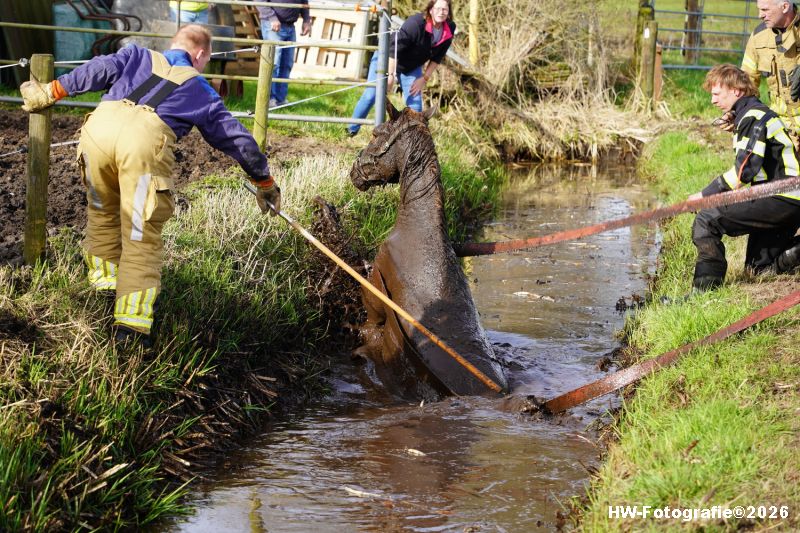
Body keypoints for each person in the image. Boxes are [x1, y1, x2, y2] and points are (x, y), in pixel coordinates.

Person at [19, 24, 281, 348]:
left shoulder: (136, 55)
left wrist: (52, 91)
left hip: (97, 132)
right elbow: (235, 139)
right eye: (205, 60)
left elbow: (97, 68)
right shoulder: (201, 88)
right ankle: (130, 328)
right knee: (140, 232)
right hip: (142, 146)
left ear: (174, 44)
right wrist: (264, 181)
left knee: (102, 211)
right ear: (200, 55)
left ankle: (104, 289)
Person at [689, 64, 800, 291]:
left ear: (736, 91)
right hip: (788, 199)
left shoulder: (752, 116)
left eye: (716, 94)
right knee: (758, 269)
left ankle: (703, 294)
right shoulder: (753, 114)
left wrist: (704, 196)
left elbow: (743, 172)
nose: (713, 101)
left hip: (781, 196)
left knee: (707, 219)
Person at [347, 0, 455, 137]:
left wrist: (424, 78)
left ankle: (413, 139)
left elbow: (437, 57)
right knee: (372, 94)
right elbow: (393, 48)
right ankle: (351, 129)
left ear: (449, 11)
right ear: (430, 10)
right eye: (438, 8)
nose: (441, 12)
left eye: (444, 9)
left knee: (415, 104)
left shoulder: (449, 29)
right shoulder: (416, 23)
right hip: (386, 58)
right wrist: (390, 75)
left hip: (410, 67)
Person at [740, 0, 800, 138]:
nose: (760, 15)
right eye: (759, 9)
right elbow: (747, 81)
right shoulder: (758, 37)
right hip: (780, 127)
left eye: (765, 10)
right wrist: (736, 111)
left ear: (785, 7)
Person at [257, 0, 312, 109]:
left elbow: (304, 1)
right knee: (273, 64)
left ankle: (280, 99)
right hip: (272, 24)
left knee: (287, 64)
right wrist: (272, 17)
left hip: (290, 26)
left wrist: (306, 19)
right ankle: (269, 99)